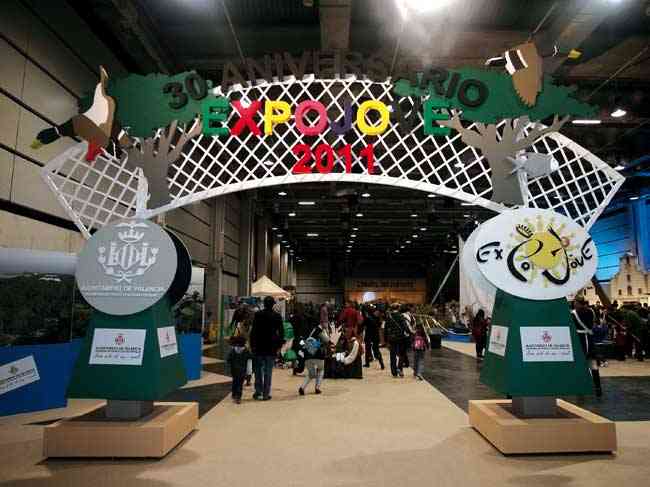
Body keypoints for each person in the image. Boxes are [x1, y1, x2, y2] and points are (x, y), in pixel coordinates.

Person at [250, 296, 284, 401]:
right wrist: (279, 346)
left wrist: (252, 345)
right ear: (273, 304)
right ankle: (266, 394)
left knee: (258, 371)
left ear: (264, 304)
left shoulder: (258, 315)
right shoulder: (277, 316)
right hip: (271, 348)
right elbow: (281, 333)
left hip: (258, 347)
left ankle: (258, 391)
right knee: (268, 371)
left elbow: (253, 331)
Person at [572, 297, 602, 396]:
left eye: (575, 302)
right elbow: (594, 323)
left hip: (580, 340)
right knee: (593, 364)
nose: (574, 304)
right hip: (590, 339)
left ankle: (581, 387)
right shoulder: (591, 311)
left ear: (579, 303)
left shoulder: (574, 314)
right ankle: (598, 388)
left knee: (580, 365)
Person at [298, 322, 330, 395]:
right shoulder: (320, 331)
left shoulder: (310, 329)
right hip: (318, 355)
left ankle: (302, 387)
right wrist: (326, 331)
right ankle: (317, 388)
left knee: (311, 373)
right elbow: (327, 340)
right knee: (321, 369)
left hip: (307, 355)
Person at [385, 304, 410, 377]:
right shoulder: (400, 316)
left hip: (392, 338)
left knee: (392, 355)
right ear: (398, 308)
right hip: (400, 338)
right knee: (401, 354)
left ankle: (394, 372)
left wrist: (386, 339)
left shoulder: (389, 317)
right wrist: (409, 332)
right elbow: (405, 326)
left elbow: (386, 328)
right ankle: (400, 368)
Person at [231, 305, 254, 386]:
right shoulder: (251, 324)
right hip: (249, 347)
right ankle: (248, 379)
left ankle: (240, 378)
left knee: (240, 364)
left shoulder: (238, 324)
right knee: (249, 364)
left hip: (239, 348)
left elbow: (234, 336)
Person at [226, 335, 252, 404]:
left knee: (234, 382)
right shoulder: (246, 351)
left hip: (234, 370)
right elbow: (250, 357)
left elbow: (228, 359)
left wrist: (230, 364)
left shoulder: (233, 350)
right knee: (240, 384)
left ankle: (234, 394)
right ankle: (238, 397)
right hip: (242, 371)